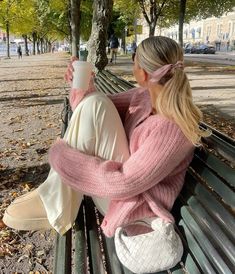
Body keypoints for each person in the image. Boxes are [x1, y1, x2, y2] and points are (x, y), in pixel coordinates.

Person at [3, 36, 208, 269]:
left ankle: (56, 203)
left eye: (134, 59)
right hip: (117, 188)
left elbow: (125, 183)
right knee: (96, 102)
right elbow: (91, 109)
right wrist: (81, 84)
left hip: (131, 203)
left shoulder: (172, 129)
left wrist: (60, 155)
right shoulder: (143, 97)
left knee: (97, 104)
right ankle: (55, 197)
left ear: (141, 72)